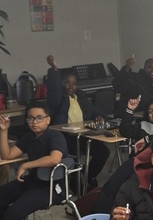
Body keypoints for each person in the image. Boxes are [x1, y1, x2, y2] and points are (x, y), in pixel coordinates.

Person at [0, 100, 68, 220]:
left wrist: (25, 165)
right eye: (30, 118)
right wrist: (4, 131)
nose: (34, 122)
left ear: (48, 119)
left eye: (39, 118)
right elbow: (6, 155)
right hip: (33, 181)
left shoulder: (55, 136)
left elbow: (54, 159)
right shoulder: (29, 137)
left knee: (13, 213)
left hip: (52, 186)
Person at [45, 55, 110, 189]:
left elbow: (93, 110)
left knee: (103, 152)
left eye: (74, 83)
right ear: (62, 83)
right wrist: (54, 70)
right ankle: (76, 184)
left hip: (82, 135)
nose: (71, 86)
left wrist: (99, 116)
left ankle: (88, 174)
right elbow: (54, 88)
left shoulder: (80, 97)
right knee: (73, 158)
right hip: (64, 138)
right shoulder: (58, 99)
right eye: (67, 82)